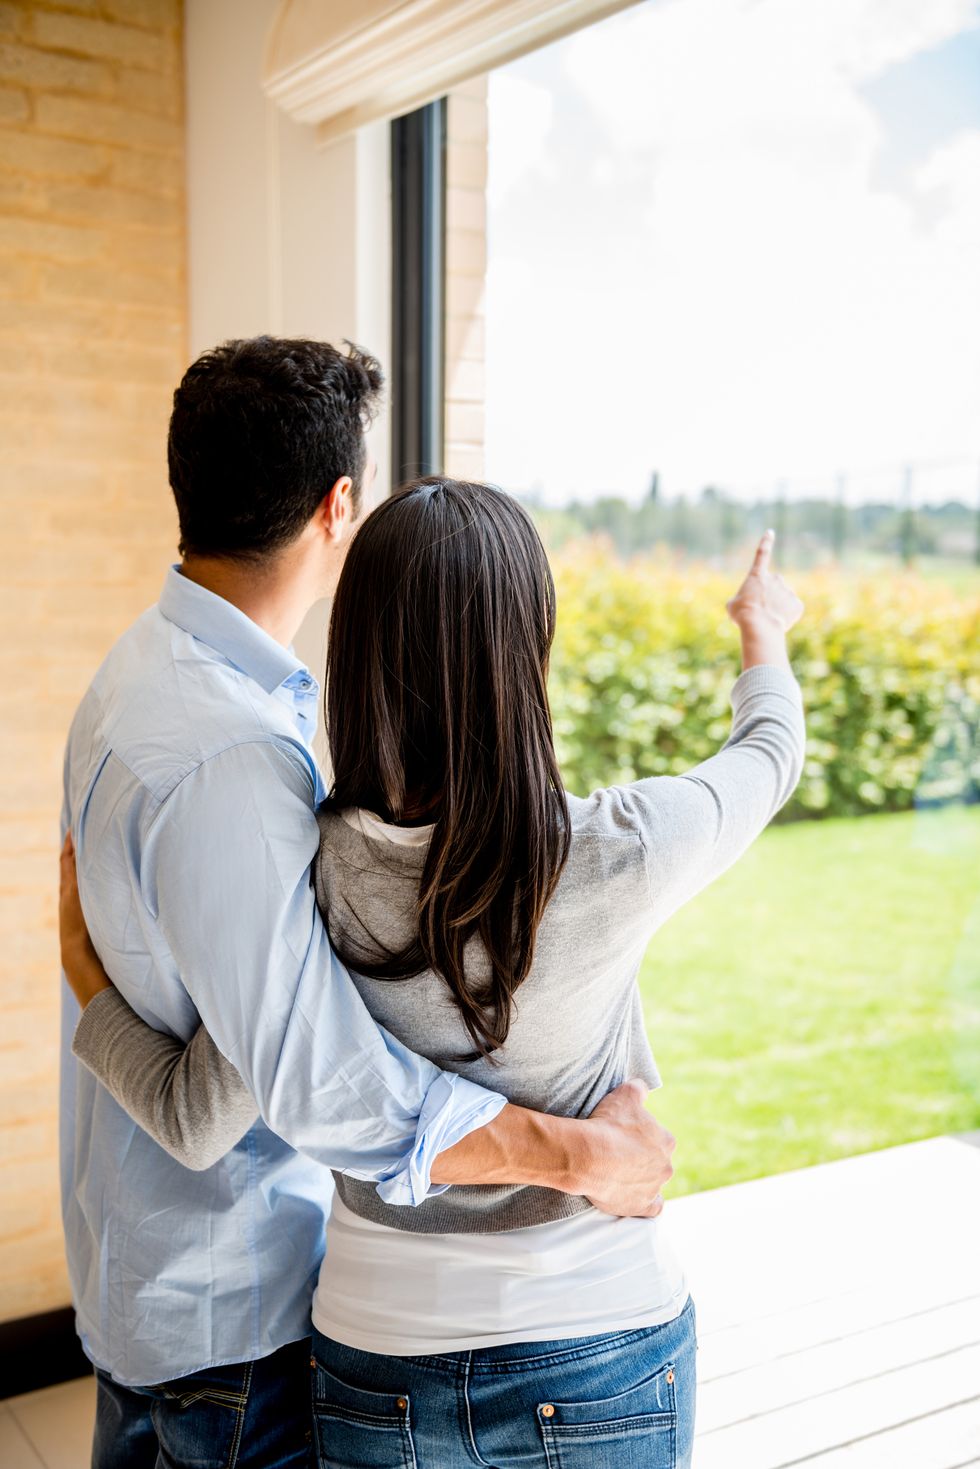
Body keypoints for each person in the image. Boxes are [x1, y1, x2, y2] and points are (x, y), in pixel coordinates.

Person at [61, 463, 806, 1466]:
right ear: (525, 646)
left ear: (357, 644)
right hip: (595, 1341)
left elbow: (202, 1104)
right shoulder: (623, 846)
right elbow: (767, 751)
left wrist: (84, 972)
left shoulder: (306, 874)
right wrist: (761, 626)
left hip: (377, 1357)